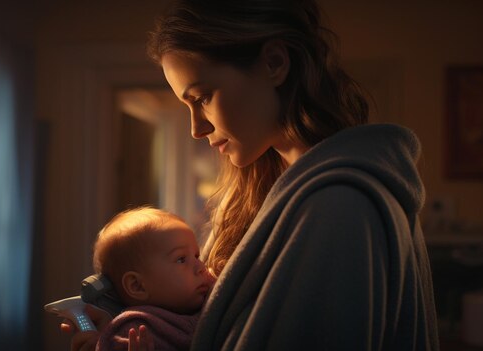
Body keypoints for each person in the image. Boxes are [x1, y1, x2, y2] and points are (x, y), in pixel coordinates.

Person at [65, 0, 440, 349]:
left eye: (202, 97)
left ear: (274, 63)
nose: (196, 128)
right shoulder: (264, 194)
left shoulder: (339, 204)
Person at [89, 206, 214, 350]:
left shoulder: (203, 298)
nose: (201, 267)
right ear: (137, 286)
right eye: (181, 259)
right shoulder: (131, 332)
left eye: (197, 256)